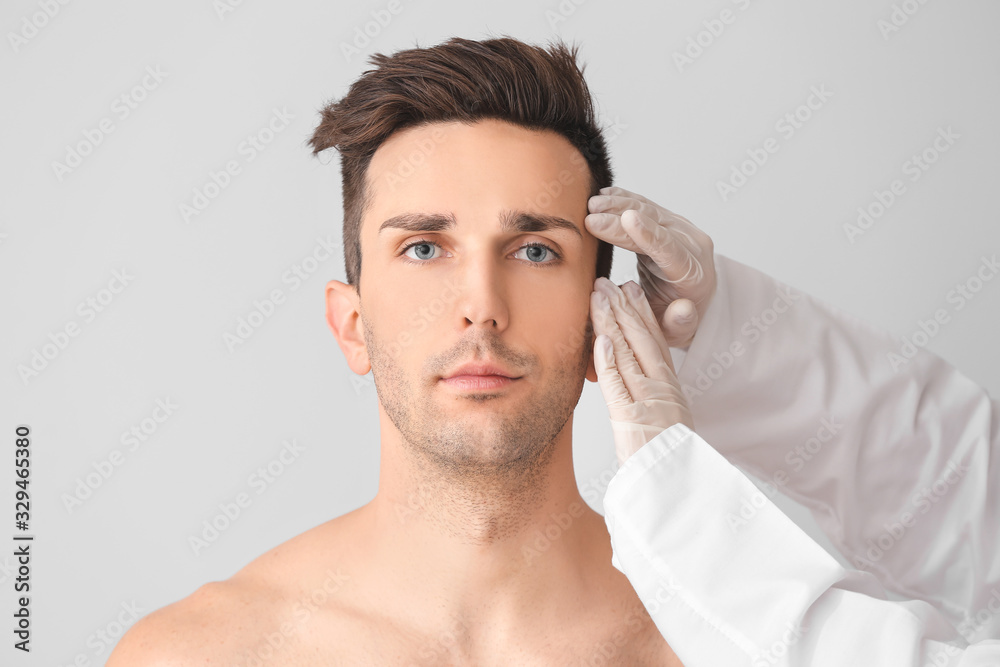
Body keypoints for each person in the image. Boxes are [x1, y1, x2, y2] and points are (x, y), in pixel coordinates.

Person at [108, 35, 999, 665]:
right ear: (350, 323)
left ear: (604, 314)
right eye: (424, 247)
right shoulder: (199, 655)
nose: (481, 308)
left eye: (536, 250)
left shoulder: (721, 641)